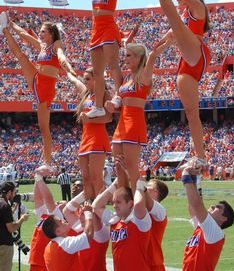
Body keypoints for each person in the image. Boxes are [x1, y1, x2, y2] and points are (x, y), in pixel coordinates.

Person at [147, 0, 211, 167]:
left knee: (172, 16)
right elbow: (169, 39)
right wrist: (154, 54)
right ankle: (200, 156)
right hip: (186, 60)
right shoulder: (184, 15)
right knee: (191, 113)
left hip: (196, 50)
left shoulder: (197, 7)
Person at [0, 12, 75, 172]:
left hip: (46, 87)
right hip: (37, 78)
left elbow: (61, 56)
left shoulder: (56, 44)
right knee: (21, 56)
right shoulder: (42, 46)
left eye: (42, 31)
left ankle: (48, 163)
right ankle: (5, 29)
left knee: (43, 127)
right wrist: (12, 24)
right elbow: (24, 35)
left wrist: (66, 65)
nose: (40, 33)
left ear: (51, 34)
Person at [67, 0, 123, 118]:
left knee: (113, 65)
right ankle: (98, 106)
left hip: (108, 28)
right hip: (95, 30)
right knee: (98, 71)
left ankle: (118, 95)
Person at [106, 39, 171, 192]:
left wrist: (168, 42)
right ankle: (124, 203)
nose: (125, 59)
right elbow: (113, 67)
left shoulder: (143, 76)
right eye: (125, 55)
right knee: (118, 166)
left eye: (129, 56)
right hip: (121, 123)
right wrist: (113, 105)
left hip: (134, 122)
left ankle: (138, 203)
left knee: (130, 166)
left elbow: (153, 55)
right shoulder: (126, 79)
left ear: (138, 57)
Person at [181, 165, 234, 271]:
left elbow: (197, 205)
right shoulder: (202, 228)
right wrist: (194, 178)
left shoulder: (215, 232)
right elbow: (193, 207)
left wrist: (186, 176)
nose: (212, 206)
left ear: (223, 218)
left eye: (217, 207)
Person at [67, 68, 112, 200]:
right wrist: (67, 70)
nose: (84, 81)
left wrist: (90, 119)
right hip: (86, 138)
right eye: (84, 78)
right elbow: (76, 82)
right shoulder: (86, 94)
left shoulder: (103, 94)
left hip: (97, 137)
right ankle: (89, 204)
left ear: (96, 80)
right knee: (85, 177)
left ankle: (100, 206)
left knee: (95, 176)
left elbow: (108, 118)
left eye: (88, 78)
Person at [93, 178, 152, 271]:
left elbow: (138, 204)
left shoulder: (139, 222)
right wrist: (114, 186)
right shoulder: (115, 220)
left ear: (130, 203)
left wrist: (140, 187)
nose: (114, 206)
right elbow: (96, 206)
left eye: (118, 202)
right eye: (113, 202)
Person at [42, 203, 94, 271]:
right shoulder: (64, 244)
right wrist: (88, 213)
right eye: (61, 222)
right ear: (58, 231)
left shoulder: (48, 247)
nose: (64, 221)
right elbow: (88, 235)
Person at [0, 182, 29, 271]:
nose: (15, 194)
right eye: (14, 192)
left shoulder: (3, 204)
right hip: (4, 245)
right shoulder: (5, 205)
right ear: (9, 192)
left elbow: (3, 216)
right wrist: (22, 219)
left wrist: (13, 207)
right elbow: (11, 228)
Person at [145, 179, 168, 271]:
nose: (146, 187)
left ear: (155, 191)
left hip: (153, 264)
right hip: (140, 262)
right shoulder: (140, 208)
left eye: (148, 185)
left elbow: (149, 204)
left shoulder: (160, 210)